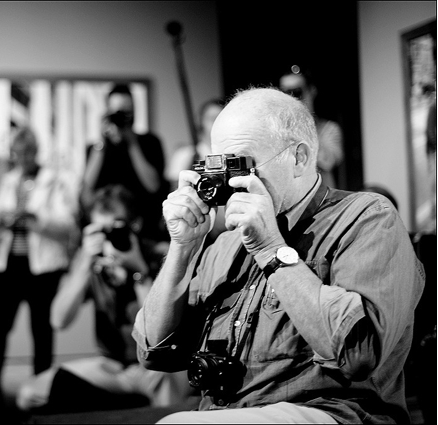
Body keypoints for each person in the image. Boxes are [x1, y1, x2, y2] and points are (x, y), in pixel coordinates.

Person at [132, 87, 425, 423]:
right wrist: (182, 248)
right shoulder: (226, 244)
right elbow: (155, 352)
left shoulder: (366, 217)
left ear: (298, 158)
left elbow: (360, 354)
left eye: (241, 164)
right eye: (219, 166)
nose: (229, 183)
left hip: (336, 412)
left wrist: (271, 249)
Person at [15, 184, 195, 415]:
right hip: (111, 366)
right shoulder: (92, 264)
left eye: (115, 229)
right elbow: (58, 320)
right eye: (100, 231)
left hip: (158, 366)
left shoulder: (163, 256)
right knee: (30, 394)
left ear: (135, 225)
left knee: (171, 407)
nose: (109, 238)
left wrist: (139, 271)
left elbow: (159, 330)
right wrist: (84, 264)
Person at [0, 126, 79, 409]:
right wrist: (3, 220)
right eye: (17, 152)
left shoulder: (56, 180)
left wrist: (36, 218)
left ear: (36, 151)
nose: (22, 157)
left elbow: (68, 225)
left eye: (27, 152)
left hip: (43, 269)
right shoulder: (9, 180)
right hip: (9, 265)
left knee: (42, 334)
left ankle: (40, 395)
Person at [82, 83, 168, 242]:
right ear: (108, 112)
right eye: (118, 112)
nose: (123, 117)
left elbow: (154, 186)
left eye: (128, 111)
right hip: (106, 227)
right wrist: (102, 140)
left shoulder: (150, 142)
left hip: (145, 230)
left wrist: (132, 143)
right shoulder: (96, 149)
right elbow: (86, 192)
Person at [279, 65, 344, 189]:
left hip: (321, 202)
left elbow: (328, 162)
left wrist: (302, 123)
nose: (291, 98)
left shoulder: (329, 129)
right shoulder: (278, 130)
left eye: (297, 91)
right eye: (285, 92)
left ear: (311, 90)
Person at [166, 98, 225, 189]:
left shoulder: (234, 154)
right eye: (213, 119)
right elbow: (174, 190)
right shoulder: (185, 154)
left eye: (221, 119)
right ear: (201, 122)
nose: (217, 124)